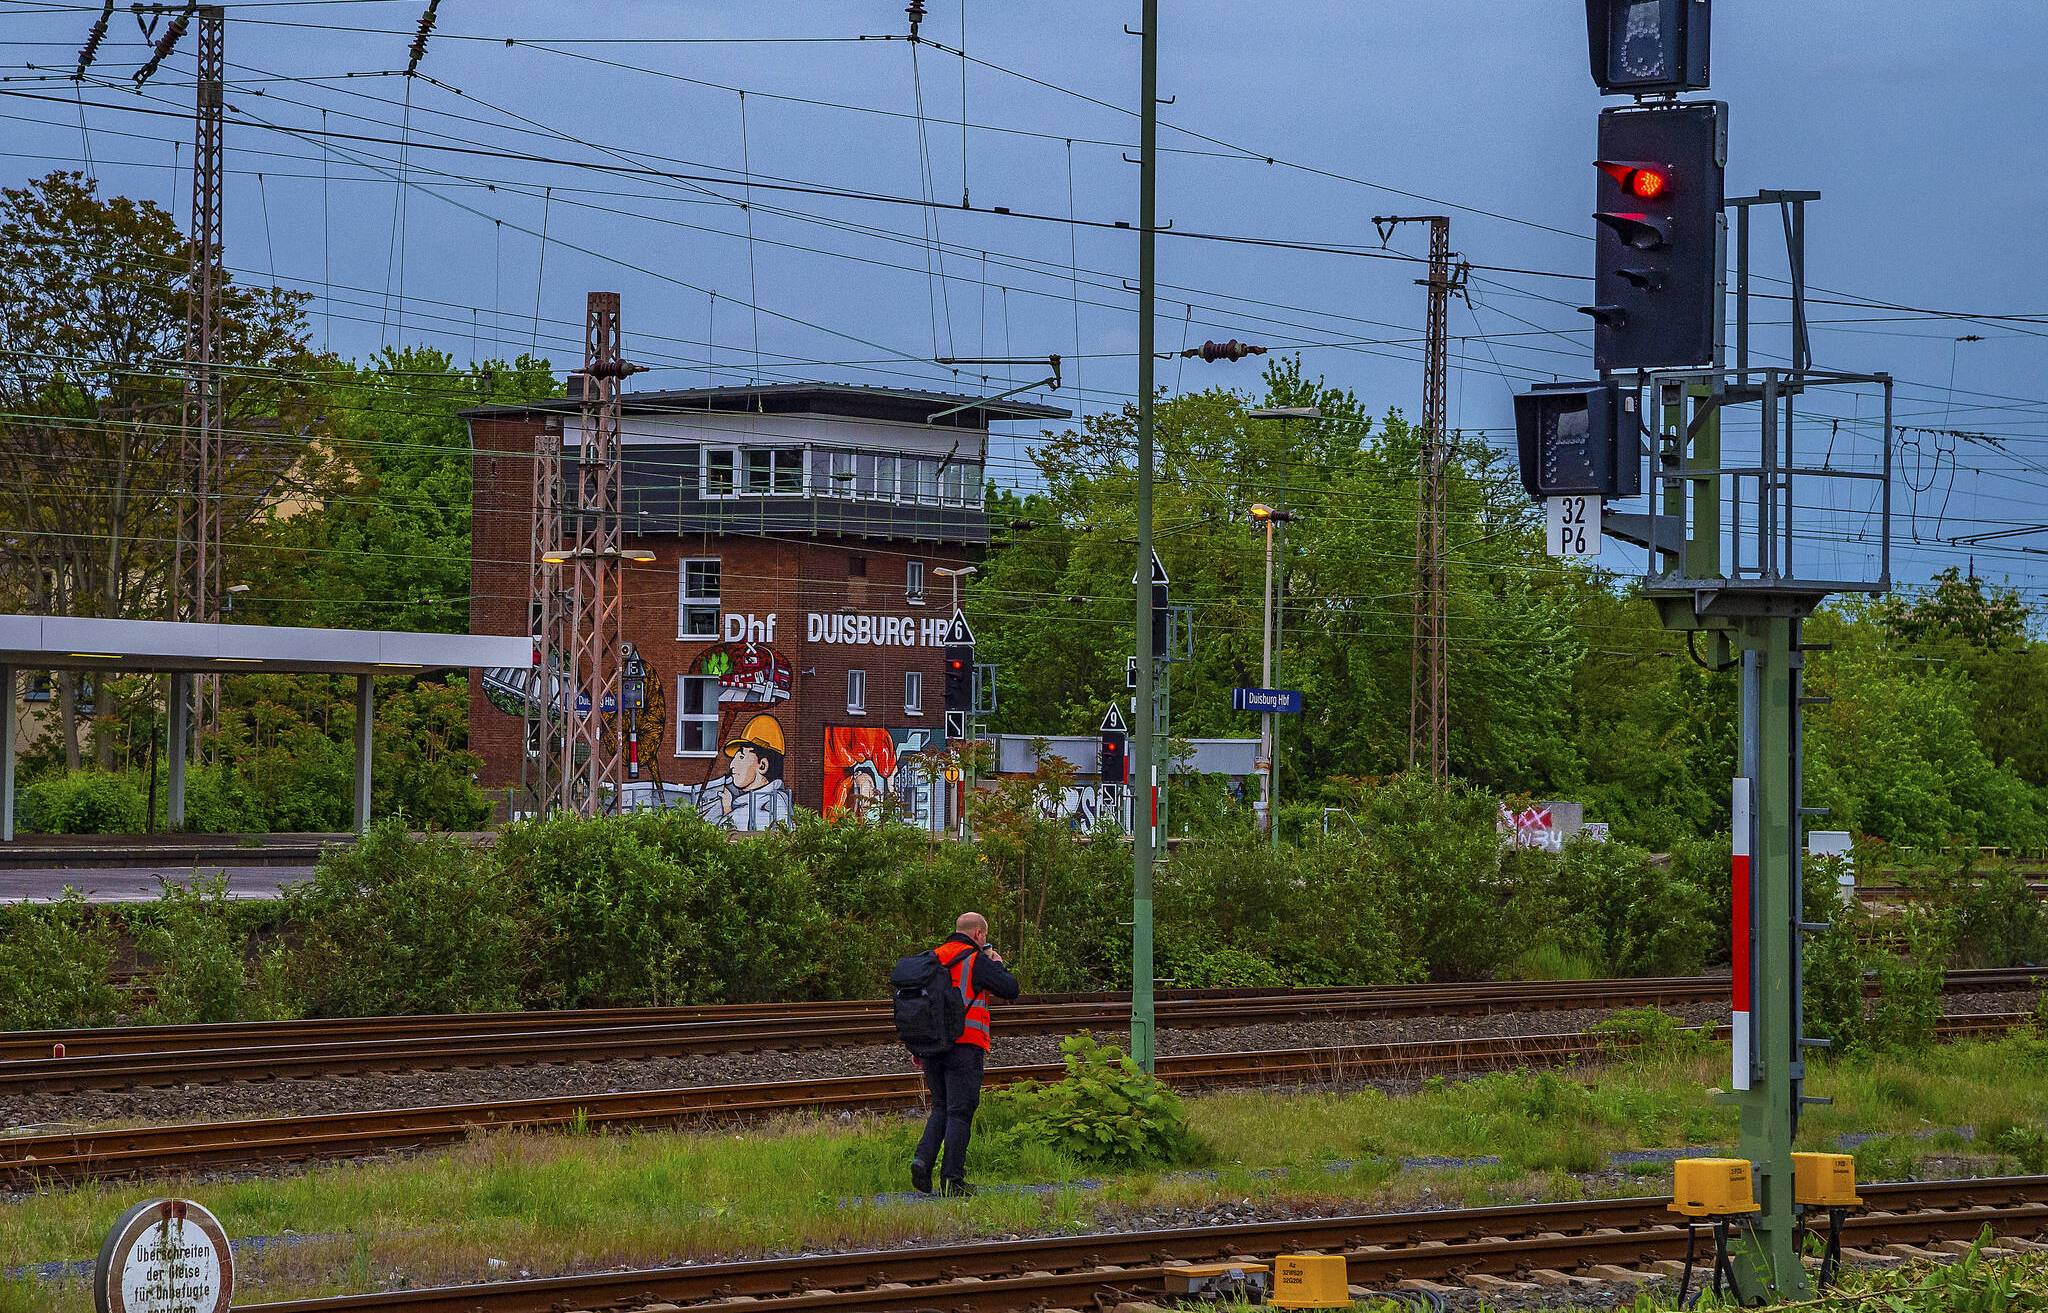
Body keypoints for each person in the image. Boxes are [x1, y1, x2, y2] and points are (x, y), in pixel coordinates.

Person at [911, 910, 1020, 1196]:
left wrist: (919, 1047)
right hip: (966, 1046)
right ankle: (953, 1181)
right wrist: (997, 964)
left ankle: (922, 1161)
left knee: (940, 1107)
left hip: (932, 1047)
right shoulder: (977, 960)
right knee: (960, 1112)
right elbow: (1010, 989)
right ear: (978, 935)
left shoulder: (932, 958)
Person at [697, 712, 794, 832]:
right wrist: (728, 807)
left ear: (762, 766)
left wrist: (728, 812)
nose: (732, 765)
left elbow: (729, 835)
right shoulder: (769, 801)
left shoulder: (767, 807)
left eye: (741, 757)